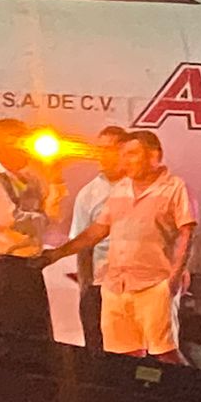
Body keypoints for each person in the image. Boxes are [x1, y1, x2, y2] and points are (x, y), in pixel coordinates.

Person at [43, 130, 197, 362]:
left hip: (153, 285)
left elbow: (187, 233)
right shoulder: (119, 190)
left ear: (154, 156)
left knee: (165, 354)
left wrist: (174, 277)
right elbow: (96, 231)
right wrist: (56, 254)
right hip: (116, 287)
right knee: (122, 357)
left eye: (131, 154)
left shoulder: (175, 188)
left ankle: (191, 396)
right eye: (122, 154)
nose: (123, 160)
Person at [0, 119, 62, 340]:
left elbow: (53, 214)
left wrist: (55, 178)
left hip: (29, 266)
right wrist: (42, 219)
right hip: (4, 267)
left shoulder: (31, 177)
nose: (22, 147)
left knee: (37, 338)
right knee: (4, 339)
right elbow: (11, 218)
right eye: (15, 141)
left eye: (24, 141)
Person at [70, 126, 129, 350]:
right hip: (102, 286)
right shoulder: (89, 194)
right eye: (100, 149)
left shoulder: (144, 188)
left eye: (110, 149)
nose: (103, 155)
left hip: (136, 287)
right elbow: (82, 244)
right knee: (98, 350)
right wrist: (86, 290)